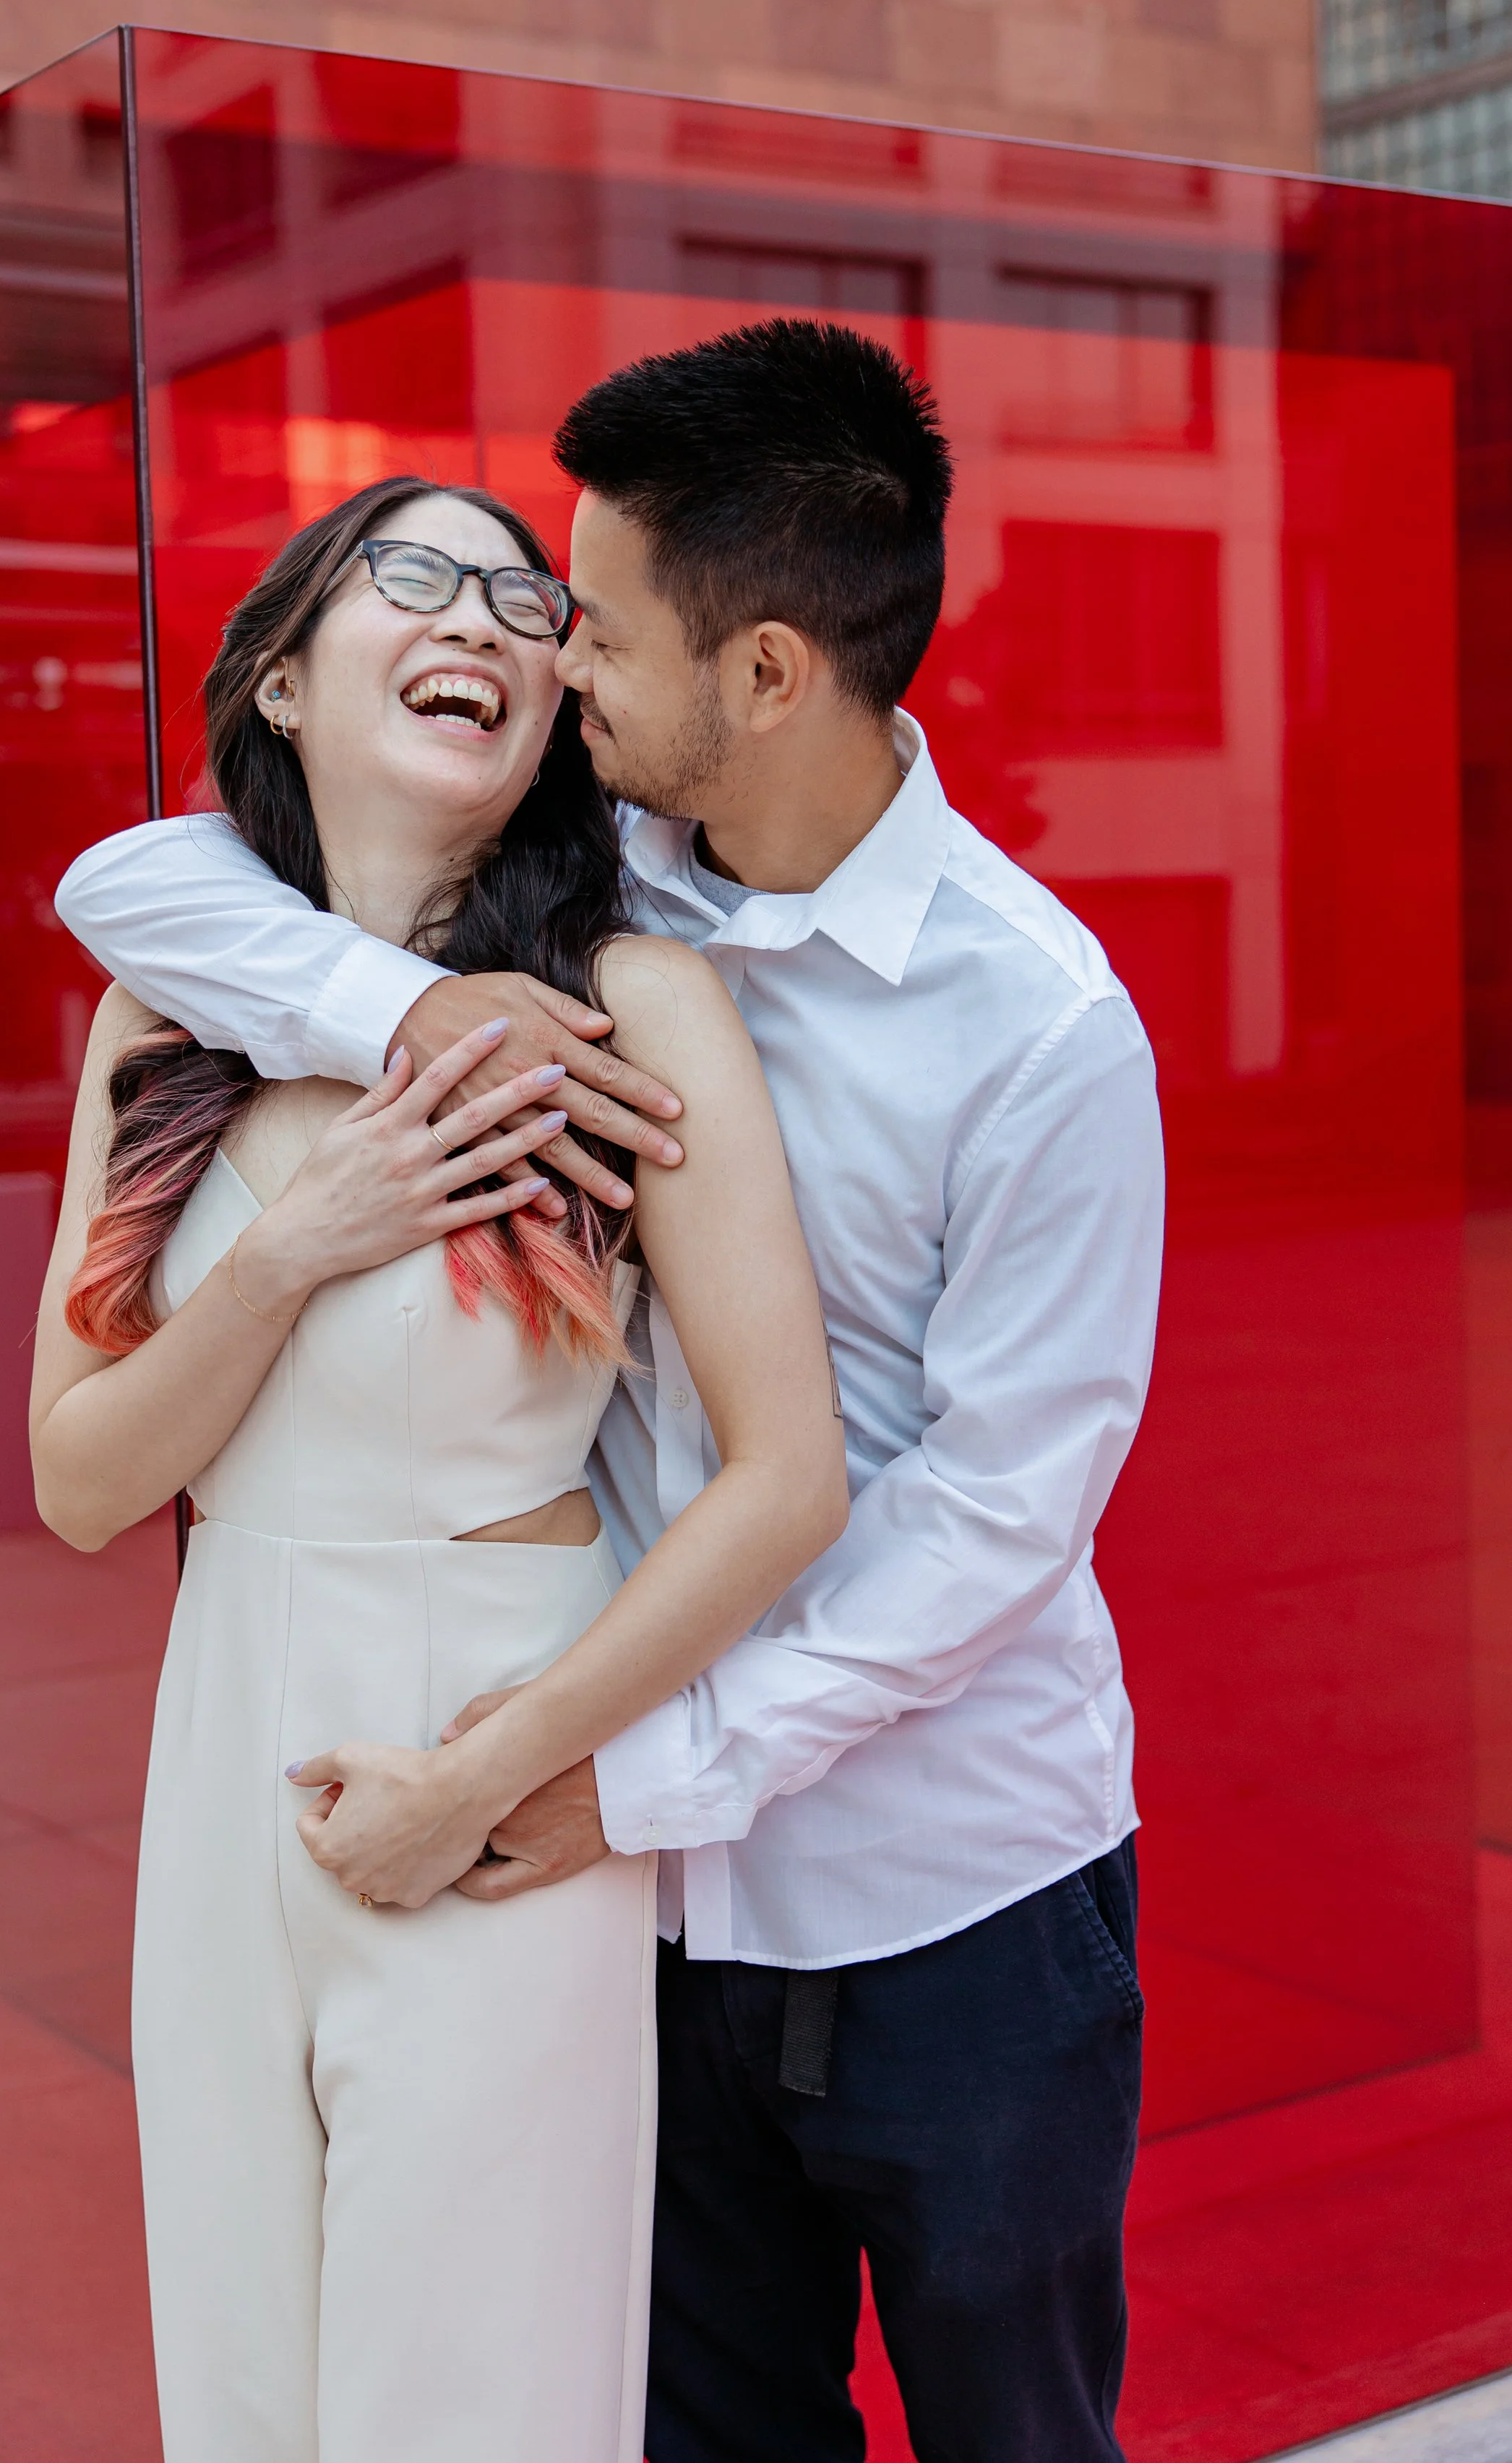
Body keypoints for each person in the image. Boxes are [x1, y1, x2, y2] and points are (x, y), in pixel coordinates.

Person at [56, 318, 1167, 2463]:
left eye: (597, 628)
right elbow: (145, 881)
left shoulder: (1039, 1031)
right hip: (628, 1891)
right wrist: (418, 1019)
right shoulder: (595, 909)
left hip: (936, 1887)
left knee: (1014, 2428)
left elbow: (990, 1521)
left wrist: (615, 1779)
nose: (557, 668)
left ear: (762, 672)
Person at [29, 475, 847, 2463]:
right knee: (239, 2375)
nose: (478, 615)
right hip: (222, 1717)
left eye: (519, 596)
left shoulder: (628, 1012)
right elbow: (78, 1478)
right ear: (287, 679)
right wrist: (299, 1248)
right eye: (414, 576)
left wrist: (498, 1767)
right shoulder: (164, 1016)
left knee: (471, 2397)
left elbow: (786, 1475)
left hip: (490, 1723)